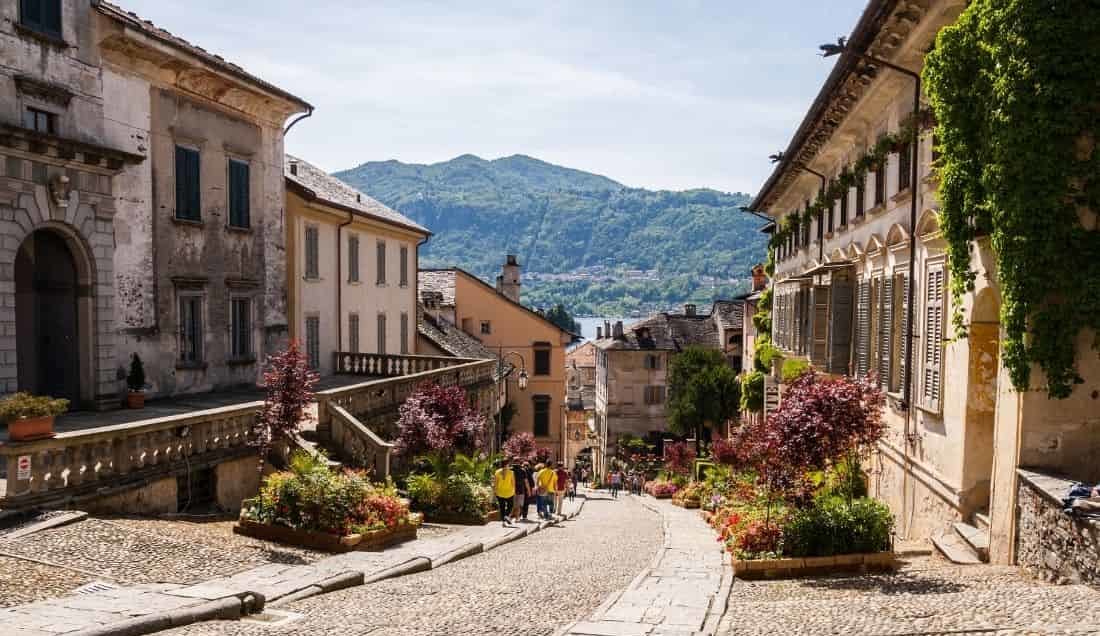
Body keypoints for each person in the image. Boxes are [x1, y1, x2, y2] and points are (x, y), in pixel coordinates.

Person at [492, 459, 516, 527]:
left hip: (500, 492)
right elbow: (513, 483)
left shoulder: (497, 472)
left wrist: (495, 492)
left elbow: (495, 483)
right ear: (507, 464)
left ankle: (503, 522)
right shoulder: (511, 472)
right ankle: (507, 516)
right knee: (510, 506)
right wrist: (514, 491)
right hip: (509, 492)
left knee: (502, 507)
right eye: (509, 464)